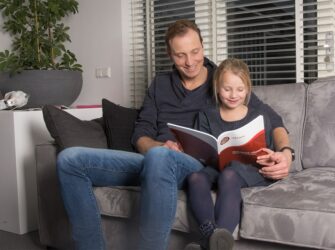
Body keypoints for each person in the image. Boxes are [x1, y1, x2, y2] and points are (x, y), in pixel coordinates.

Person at [56, 19, 290, 250]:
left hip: (195, 164)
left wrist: (286, 154)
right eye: (180, 55)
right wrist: (156, 146)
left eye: (195, 51)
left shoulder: (223, 81)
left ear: (203, 47)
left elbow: (274, 121)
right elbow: (141, 133)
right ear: (170, 55)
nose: (190, 62)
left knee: (160, 158)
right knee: (70, 160)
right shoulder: (160, 84)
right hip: (156, 158)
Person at [184, 58, 293, 250]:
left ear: (248, 89)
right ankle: (212, 236)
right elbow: (200, 151)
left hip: (250, 169)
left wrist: (272, 155)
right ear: (217, 87)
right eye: (227, 89)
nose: (233, 95)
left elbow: (267, 150)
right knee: (194, 178)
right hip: (217, 166)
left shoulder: (258, 116)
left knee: (230, 173)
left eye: (240, 90)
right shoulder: (206, 115)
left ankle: (210, 244)